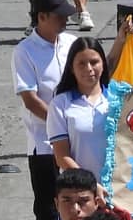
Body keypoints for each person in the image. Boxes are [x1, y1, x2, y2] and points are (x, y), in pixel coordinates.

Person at [14, 0, 75, 220]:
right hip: (44, 145)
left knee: (79, 203)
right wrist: (59, 125)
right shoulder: (24, 51)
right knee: (48, 207)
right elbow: (30, 99)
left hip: (76, 142)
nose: (65, 20)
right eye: (59, 16)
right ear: (41, 17)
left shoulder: (71, 43)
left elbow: (96, 74)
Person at [46, 35, 113, 174]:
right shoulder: (60, 104)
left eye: (94, 62)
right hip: (80, 190)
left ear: (103, 64)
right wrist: (91, 186)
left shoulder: (118, 99)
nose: (88, 68)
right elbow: (61, 156)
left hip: (119, 189)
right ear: (71, 67)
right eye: (81, 63)